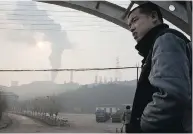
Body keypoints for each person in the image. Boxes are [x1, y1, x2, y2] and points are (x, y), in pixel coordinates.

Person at [127, 2, 192, 133]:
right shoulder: (157, 46)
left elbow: (172, 96)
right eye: (129, 26)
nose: (132, 28)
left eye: (134, 20)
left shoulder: (165, 40)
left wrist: (142, 123)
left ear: (154, 16)